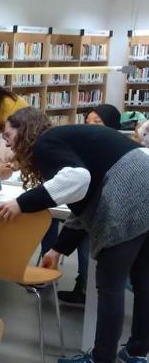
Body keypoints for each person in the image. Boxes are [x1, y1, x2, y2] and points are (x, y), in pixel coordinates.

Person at [0, 107, 149, 363]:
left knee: (111, 283)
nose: (7, 143)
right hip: (144, 180)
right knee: (143, 278)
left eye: (8, 135)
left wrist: (21, 203)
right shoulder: (66, 140)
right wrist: (58, 250)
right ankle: (138, 354)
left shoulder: (46, 143)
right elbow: (83, 203)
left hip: (126, 189)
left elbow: (77, 180)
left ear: (24, 130)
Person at [59, 104, 123, 305]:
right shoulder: (88, 148)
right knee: (81, 233)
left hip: (115, 219)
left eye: (98, 122)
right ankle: (83, 285)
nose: (92, 127)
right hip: (93, 212)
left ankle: (89, 290)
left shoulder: (117, 151)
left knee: (86, 235)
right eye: (88, 122)